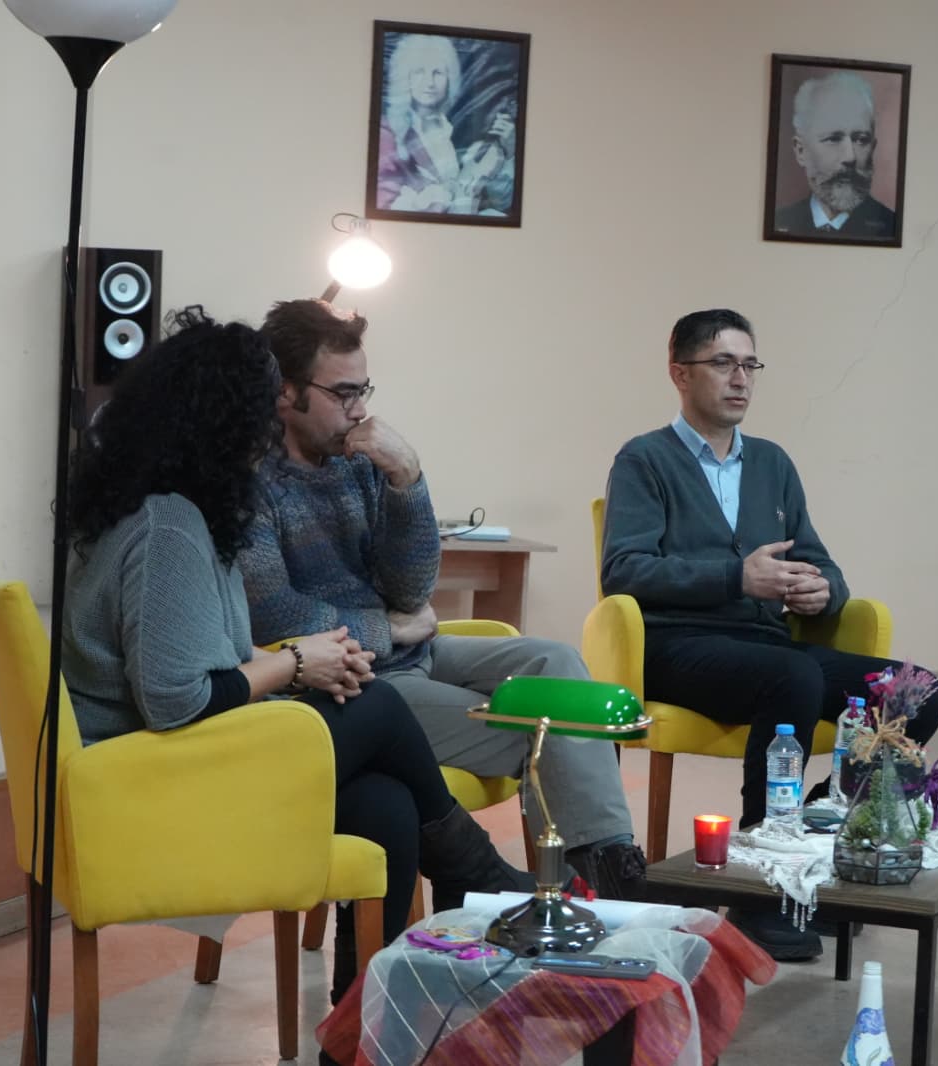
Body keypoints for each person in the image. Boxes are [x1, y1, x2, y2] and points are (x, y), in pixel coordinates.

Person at [60, 307, 534, 1009]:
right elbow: (177, 699)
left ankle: (361, 1018)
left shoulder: (166, 506)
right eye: (261, 413)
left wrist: (298, 657)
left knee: (387, 803)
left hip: (162, 758)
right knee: (378, 704)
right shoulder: (170, 527)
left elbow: (196, 650)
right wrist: (293, 665)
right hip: (147, 780)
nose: (270, 432)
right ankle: (474, 871)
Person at [238, 298, 647, 900]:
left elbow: (413, 590)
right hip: (351, 684)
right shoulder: (247, 482)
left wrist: (407, 477)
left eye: (363, 390)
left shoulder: (358, 463)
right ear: (285, 392)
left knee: (558, 662)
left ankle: (604, 872)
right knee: (552, 729)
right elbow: (276, 617)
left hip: (414, 654)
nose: (360, 410)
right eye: (343, 393)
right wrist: (388, 630)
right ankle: (594, 894)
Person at [599, 308, 938, 960]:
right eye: (723, 363)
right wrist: (737, 578)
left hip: (764, 644)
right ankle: (760, 885)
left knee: (915, 690)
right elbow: (624, 569)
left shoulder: (772, 463)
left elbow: (820, 563)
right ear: (680, 373)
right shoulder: (644, 459)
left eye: (750, 364)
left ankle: (823, 830)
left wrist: (823, 592)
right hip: (677, 646)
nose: (741, 379)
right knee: (795, 676)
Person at [375, 33, 516, 215]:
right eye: (419, 72)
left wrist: (509, 152)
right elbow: (384, 205)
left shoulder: (450, 130)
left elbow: (502, 202)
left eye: (438, 73)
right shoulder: (388, 133)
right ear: (405, 77)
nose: (429, 82)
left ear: (450, 79)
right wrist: (444, 198)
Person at [771, 70, 897, 239]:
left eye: (861, 140)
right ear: (801, 151)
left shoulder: (891, 227)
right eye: (833, 139)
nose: (850, 157)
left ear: (872, 148)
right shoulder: (780, 222)